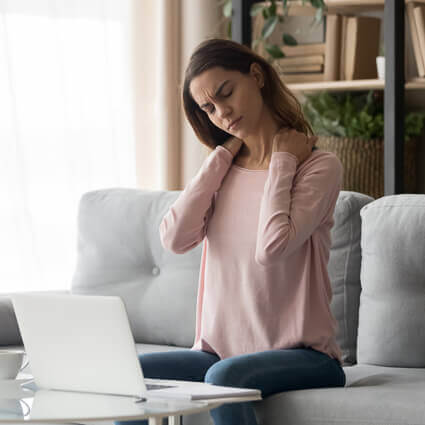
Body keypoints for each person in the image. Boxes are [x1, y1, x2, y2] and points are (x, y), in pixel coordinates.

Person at [116, 38, 346, 425]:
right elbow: (174, 238)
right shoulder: (222, 170)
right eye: (209, 108)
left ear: (255, 77)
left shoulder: (317, 167)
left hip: (305, 356)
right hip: (219, 352)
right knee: (126, 372)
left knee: (224, 377)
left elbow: (273, 247)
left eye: (226, 94)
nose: (222, 112)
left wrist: (283, 158)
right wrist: (222, 154)